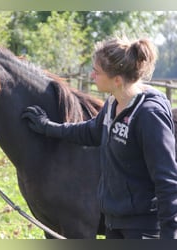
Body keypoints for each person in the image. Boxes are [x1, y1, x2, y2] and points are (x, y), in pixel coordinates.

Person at [22, 36, 177, 239]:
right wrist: (49, 128)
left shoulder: (149, 115)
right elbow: (92, 131)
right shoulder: (113, 104)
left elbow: (166, 180)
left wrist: (170, 235)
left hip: (143, 226)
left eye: (97, 71)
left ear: (117, 80)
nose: (92, 75)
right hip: (114, 219)